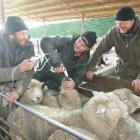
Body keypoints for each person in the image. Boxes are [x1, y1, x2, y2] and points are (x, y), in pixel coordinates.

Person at [86, 6, 140, 94]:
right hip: (123, 74)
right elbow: (100, 49)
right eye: (118, 23)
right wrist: (91, 68)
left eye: (123, 23)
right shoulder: (114, 32)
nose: (120, 26)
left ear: (133, 21)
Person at [0, 16, 36, 104]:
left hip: (16, 85)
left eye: (26, 33)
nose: (26, 37)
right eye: (22, 34)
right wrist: (19, 70)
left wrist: (18, 91)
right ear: (11, 35)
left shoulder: (28, 46)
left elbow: (29, 72)